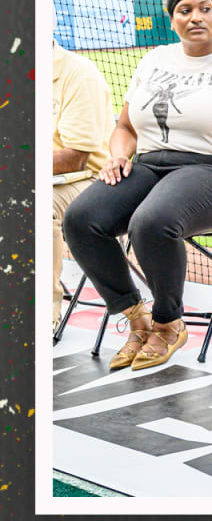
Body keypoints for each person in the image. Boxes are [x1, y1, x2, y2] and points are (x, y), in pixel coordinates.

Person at [61, 0, 212, 371]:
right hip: (151, 165)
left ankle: (168, 323)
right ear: (172, 21)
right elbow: (125, 128)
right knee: (81, 219)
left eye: (205, 8)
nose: (196, 17)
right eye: (185, 10)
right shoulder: (154, 59)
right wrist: (118, 156)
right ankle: (136, 320)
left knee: (152, 222)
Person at [51, 36, 113, 329]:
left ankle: (41, 315)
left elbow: (74, 158)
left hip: (91, 180)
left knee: (36, 206)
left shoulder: (78, 74)